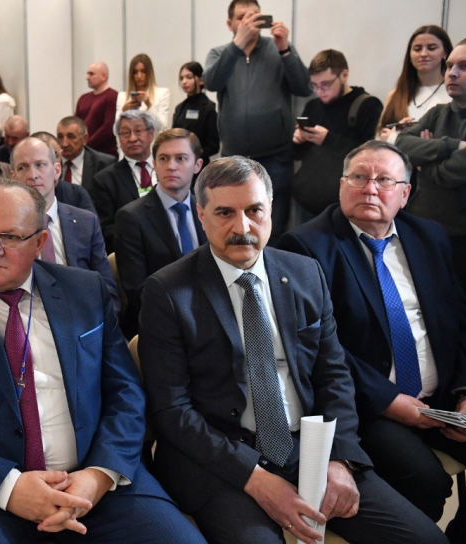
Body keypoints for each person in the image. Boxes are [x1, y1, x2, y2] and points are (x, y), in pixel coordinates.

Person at [139, 156, 447, 544]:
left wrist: (339, 458)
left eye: (254, 211)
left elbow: (333, 374)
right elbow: (172, 411)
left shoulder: (304, 273)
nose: (242, 227)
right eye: (225, 213)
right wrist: (254, 478)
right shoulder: (167, 291)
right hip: (221, 460)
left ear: (271, 209)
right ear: (201, 214)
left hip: (310, 449)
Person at [0, 179, 204, 544]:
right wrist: (9, 487)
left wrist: (98, 475)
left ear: (40, 242)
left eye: (10, 237)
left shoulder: (85, 291)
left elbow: (125, 392)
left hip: (98, 486)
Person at [279, 141, 466, 540]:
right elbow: (319, 349)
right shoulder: (305, 247)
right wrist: (389, 401)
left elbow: (461, 321)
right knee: (426, 480)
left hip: (444, 399)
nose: (370, 188)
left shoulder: (430, 236)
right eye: (359, 177)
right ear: (341, 185)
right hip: (368, 406)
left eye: (384, 180)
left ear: (405, 193)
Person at [204, 0, 312, 242]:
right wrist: (236, 46)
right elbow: (211, 82)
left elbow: (303, 87)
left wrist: (285, 49)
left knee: (272, 225)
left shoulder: (278, 48)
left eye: (254, 16)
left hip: (276, 156)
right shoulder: (220, 53)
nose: (248, 22)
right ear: (230, 24)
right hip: (234, 157)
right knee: (232, 223)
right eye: (241, 17)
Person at [397, 37, 466, 307]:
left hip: (465, 238)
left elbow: (451, 173)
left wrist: (424, 165)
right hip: (422, 231)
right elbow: (402, 144)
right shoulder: (437, 113)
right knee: (425, 308)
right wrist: (450, 146)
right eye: (450, 65)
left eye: (465, 66)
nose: (452, 73)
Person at [114, 128, 206, 338]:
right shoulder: (131, 217)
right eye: (164, 158)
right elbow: (138, 291)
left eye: (181, 158)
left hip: (209, 320)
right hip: (159, 325)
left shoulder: (208, 211)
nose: (171, 166)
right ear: (154, 164)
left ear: (197, 165)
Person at [11, 136, 118, 309]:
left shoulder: (86, 222)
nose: (33, 175)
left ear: (57, 170)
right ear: (14, 177)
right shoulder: (4, 229)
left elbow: (107, 290)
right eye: (23, 167)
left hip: (82, 312)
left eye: (40, 165)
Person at [291, 50, 383, 220]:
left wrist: (329, 139)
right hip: (304, 202)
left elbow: (371, 156)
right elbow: (297, 155)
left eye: (325, 84)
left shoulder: (367, 105)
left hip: (341, 207)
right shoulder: (313, 106)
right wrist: (298, 141)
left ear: (344, 75)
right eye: (314, 85)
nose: (320, 91)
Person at [92, 110, 157, 252]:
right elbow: (106, 228)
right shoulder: (105, 180)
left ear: (151, 133)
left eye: (138, 131)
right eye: (126, 133)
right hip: (131, 251)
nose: (132, 138)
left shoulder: (167, 169)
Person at [379, 25, 453, 142]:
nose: (423, 54)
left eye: (431, 48)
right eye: (417, 49)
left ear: (445, 53)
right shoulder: (396, 95)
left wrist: (398, 139)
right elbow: (379, 138)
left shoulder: (454, 93)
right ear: (409, 54)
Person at [31, 131, 99, 216]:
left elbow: (90, 222)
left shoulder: (76, 193)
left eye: (55, 155)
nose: (51, 162)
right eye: (40, 162)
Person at [171, 61, 220, 170]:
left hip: (199, 166)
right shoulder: (179, 108)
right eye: (181, 78)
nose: (184, 82)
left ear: (201, 80)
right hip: (178, 165)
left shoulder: (208, 108)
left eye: (189, 77)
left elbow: (213, 146)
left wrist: (192, 155)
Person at [115, 54, 172, 138]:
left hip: (152, 144)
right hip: (129, 143)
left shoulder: (162, 93)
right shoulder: (122, 96)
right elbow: (115, 131)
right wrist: (124, 111)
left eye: (143, 71)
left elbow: (162, 127)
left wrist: (149, 105)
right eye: (135, 72)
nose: (139, 76)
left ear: (149, 72)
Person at [56, 116, 116, 194]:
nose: (64, 144)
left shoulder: (104, 164)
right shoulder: (51, 162)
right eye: (60, 137)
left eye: (71, 137)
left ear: (85, 138)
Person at [75, 61, 119, 156]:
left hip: (105, 154)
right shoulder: (83, 98)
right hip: (84, 152)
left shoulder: (113, 96)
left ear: (103, 76)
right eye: (87, 74)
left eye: (91, 74)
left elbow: (108, 127)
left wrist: (86, 144)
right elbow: (76, 123)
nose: (87, 77)